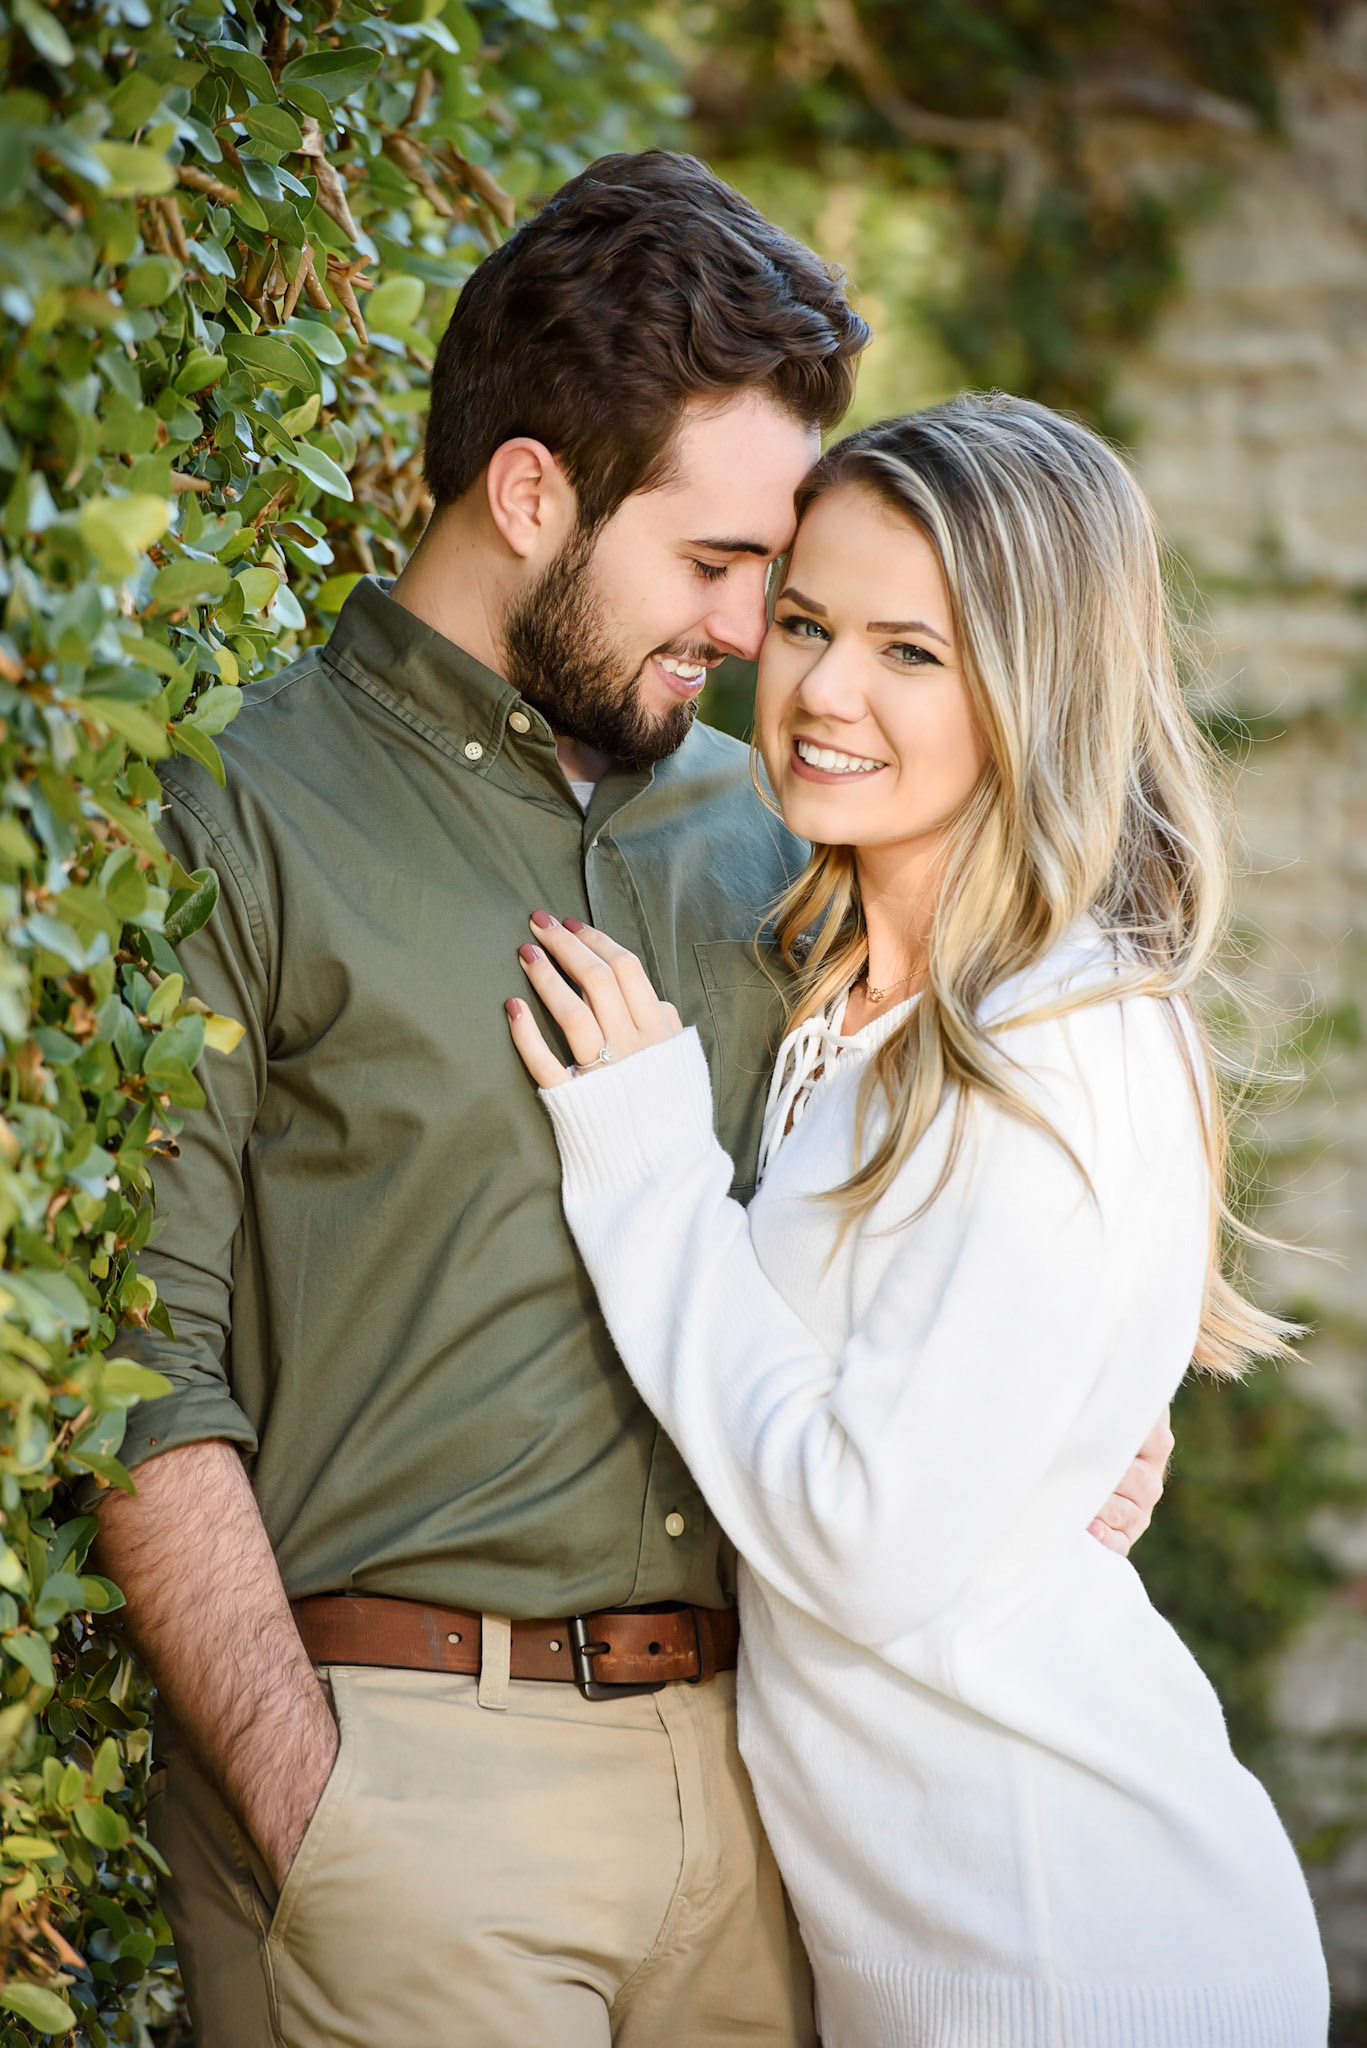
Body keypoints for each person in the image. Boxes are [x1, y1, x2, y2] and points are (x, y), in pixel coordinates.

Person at [93, 156, 1169, 2047]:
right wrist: (314, 1800)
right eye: (718, 564)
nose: (759, 636)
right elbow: (134, 1366)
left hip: (779, 1827)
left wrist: (1070, 1416)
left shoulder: (784, 837)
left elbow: (953, 1199)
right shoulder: (238, 813)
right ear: (531, 495)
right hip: (410, 1791)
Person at [506, 395, 1331, 2047]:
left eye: (911, 653)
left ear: (1033, 693)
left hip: (1072, 1955)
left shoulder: (1063, 1036)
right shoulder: (855, 1013)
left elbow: (863, 1543)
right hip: (932, 1958)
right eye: (808, 623)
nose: (823, 691)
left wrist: (652, 1173)